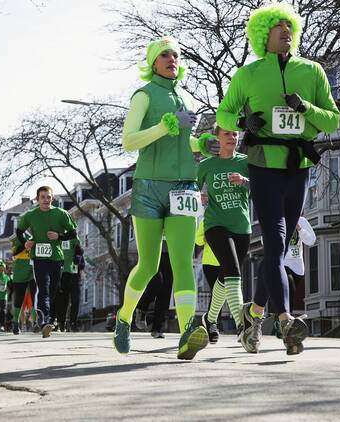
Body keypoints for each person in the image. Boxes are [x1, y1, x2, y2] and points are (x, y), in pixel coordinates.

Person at [215, 3, 340, 355]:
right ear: (262, 35)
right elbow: (224, 111)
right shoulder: (249, 73)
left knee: (281, 248)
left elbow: (332, 120)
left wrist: (306, 109)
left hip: (297, 164)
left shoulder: (312, 70)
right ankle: (285, 320)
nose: (286, 32)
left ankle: (253, 314)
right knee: (275, 239)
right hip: (263, 163)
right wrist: (243, 123)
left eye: (290, 27)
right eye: (277, 27)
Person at [114, 35, 219, 360]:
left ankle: (188, 331)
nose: (172, 59)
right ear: (153, 62)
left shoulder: (187, 97)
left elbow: (181, 142)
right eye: (165, 55)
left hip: (184, 187)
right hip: (148, 188)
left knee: (183, 262)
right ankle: (124, 318)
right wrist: (165, 125)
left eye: (175, 54)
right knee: (147, 264)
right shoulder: (144, 95)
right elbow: (129, 141)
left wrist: (199, 145)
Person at [196, 127, 250, 346]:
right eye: (227, 134)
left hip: (242, 226)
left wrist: (245, 181)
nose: (232, 138)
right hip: (215, 224)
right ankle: (243, 326)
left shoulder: (246, 161)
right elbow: (191, 189)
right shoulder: (206, 165)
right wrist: (197, 196)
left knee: (223, 275)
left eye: (235, 134)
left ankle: (209, 319)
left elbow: (263, 189)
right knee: (233, 272)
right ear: (217, 138)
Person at [16, 186, 77, 338]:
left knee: (53, 289)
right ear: (37, 199)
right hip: (38, 258)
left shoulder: (61, 214)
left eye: (48, 197)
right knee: (43, 288)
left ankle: (45, 318)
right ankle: (44, 321)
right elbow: (19, 230)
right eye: (42, 197)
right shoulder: (31, 215)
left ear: (52, 198)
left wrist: (58, 236)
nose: (45, 200)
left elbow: (73, 233)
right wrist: (25, 242)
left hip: (57, 257)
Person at [273, 214, 316, 337]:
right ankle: (285, 322)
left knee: (289, 293)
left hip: (297, 266)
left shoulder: (301, 221)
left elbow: (312, 240)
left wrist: (299, 230)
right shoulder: (277, 220)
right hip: (282, 262)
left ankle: (280, 320)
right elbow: (264, 240)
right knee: (289, 287)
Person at [54, 237, 82, 331]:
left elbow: (80, 253)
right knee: (63, 300)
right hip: (63, 274)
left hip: (75, 275)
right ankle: (61, 322)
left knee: (75, 300)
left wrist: (78, 259)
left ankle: (73, 322)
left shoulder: (75, 240)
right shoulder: (58, 238)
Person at [10, 238, 36, 335]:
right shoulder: (17, 238)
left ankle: (36, 322)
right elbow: (14, 253)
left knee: (35, 297)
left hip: (34, 268)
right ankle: (16, 323)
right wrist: (25, 245)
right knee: (19, 298)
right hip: (20, 269)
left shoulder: (38, 235)